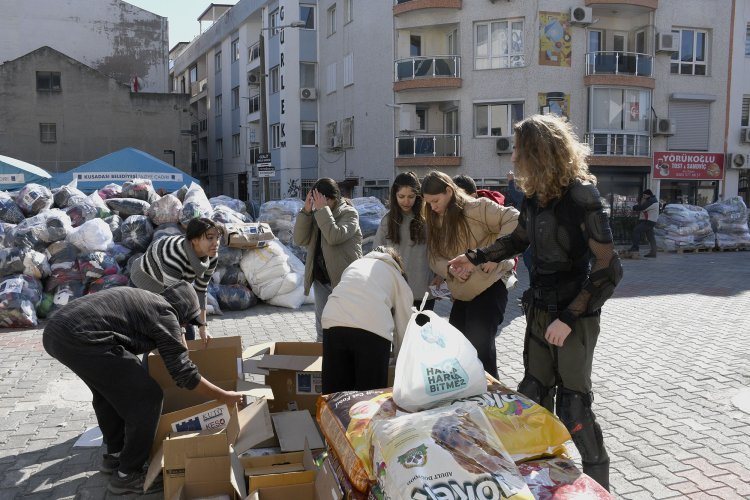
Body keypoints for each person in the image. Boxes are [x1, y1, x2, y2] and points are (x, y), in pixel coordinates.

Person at [447, 114, 622, 491]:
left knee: (574, 408)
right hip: (539, 311)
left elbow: (610, 268)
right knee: (532, 397)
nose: (513, 157)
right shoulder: (535, 196)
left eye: (518, 150)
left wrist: (570, 319)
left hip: (573, 316)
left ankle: (601, 489)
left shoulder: (582, 196)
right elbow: (517, 241)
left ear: (538, 152)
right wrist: (473, 257)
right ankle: (545, 484)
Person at [42, 281, 243, 495]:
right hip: (82, 337)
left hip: (57, 332)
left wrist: (179, 339)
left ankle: (116, 456)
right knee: (148, 397)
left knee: (107, 393)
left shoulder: (151, 301)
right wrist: (224, 396)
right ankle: (128, 475)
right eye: (186, 322)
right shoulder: (165, 314)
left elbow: (175, 349)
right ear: (182, 310)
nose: (185, 327)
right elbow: (184, 374)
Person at [421, 171, 519, 379]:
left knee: (481, 352)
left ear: (449, 191)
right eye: (428, 203)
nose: (433, 207)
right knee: (458, 351)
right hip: (462, 295)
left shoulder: (477, 207)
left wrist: (495, 255)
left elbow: (515, 219)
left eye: (436, 201)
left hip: (490, 289)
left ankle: (492, 404)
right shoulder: (435, 219)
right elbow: (432, 256)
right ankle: (467, 406)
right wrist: (449, 269)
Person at [321, 247, 413, 393]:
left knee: (335, 392)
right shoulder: (396, 275)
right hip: (372, 328)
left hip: (334, 321)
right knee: (369, 395)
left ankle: (329, 415)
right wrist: (403, 361)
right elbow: (405, 325)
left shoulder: (355, 264)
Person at [129, 217, 221, 342]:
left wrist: (203, 326)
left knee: (188, 336)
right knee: (157, 336)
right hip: (145, 282)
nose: (216, 243)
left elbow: (200, 290)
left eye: (217, 237)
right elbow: (172, 303)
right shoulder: (174, 256)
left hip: (170, 284)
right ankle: (150, 361)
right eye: (210, 238)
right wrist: (181, 339)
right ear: (194, 240)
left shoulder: (211, 256)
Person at [294, 178, 362, 341]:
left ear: (333, 198)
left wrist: (322, 210)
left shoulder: (349, 213)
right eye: (315, 200)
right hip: (321, 278)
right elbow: (300, 240)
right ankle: (323, 359)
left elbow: (334, 236)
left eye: (322, 201)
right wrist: (306, 212)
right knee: (323, 326)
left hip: (344, 279)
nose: (318, 204)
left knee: (346, 325)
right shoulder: (318, 213)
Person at [374, 172, 434, 309]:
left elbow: (438, 251)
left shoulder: (428, 219)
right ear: (394, 196)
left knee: (422, 330)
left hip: (424, 292)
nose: (406, 201)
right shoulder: (387, 221)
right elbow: (376, 254)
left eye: (411, 197)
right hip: (396, 291)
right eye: (401, 196)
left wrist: (440, 276)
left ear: (418, 196)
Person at [629, 189, 659, 257]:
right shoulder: (652, 200)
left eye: (644, 195)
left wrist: (633, 207)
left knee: (636, 230)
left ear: (648, 194)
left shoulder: (651, 201)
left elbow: (642, 207)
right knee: (650, 237)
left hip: (649, 221)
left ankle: (635, 247)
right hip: (651, 221)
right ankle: (653, 252)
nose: (643, 196)